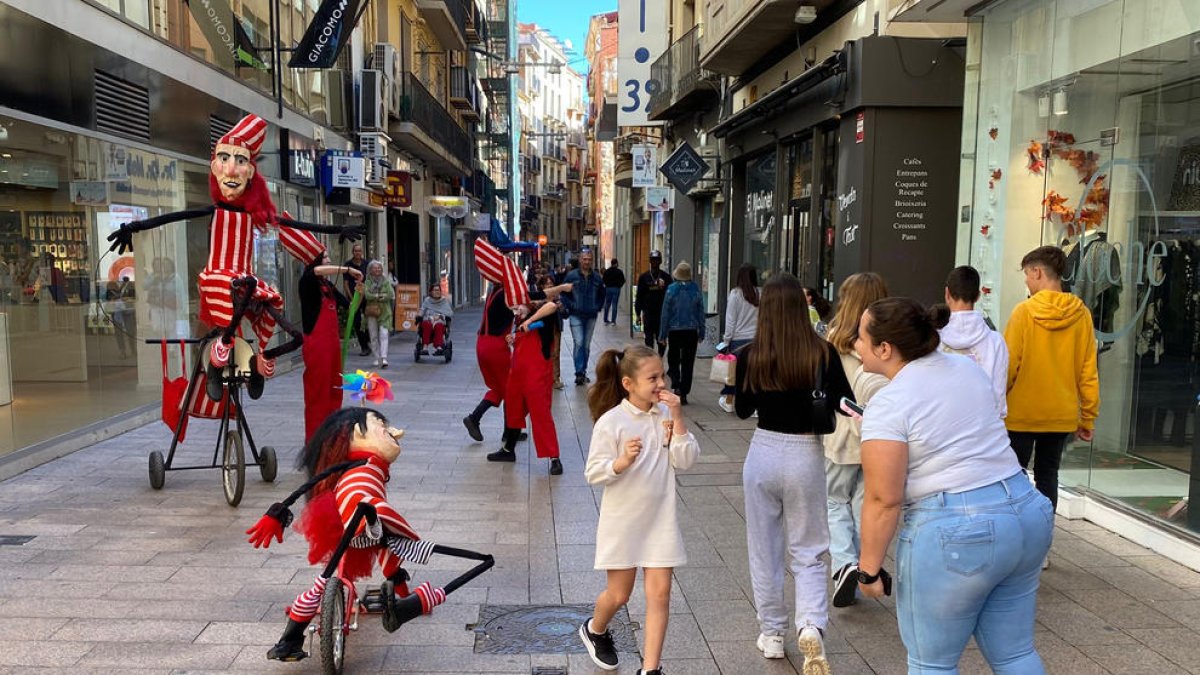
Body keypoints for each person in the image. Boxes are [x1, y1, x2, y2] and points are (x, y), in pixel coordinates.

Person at [856, 297, 1053, 673]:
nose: (855, 344)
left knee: (932, 664)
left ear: (885, 349)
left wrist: (868, 571)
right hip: (1026, 512)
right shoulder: (966, 367)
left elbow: (883, 499)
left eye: (861, 338)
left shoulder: (889, 403)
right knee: (1015, 654)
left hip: (959, 529)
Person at [734, 272, 850, 670]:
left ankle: (771, 633)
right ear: (802, 308)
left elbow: (742, 410)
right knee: (810, 548)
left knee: (763, 548)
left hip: (763, 451)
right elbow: (845, 402)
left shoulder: (751, 354)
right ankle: (811, 625)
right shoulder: (823, 352)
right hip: (805, 453)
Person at [581, 345, 699, 675]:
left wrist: (678, 419)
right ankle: (595, 629)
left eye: (662, 376)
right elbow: (593, 472)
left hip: (660, 520)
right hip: (623, 523)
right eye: (653, 378)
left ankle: (650, 669)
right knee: (619, 595)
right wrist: (621, 462)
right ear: (628, 384)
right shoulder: (612, 422)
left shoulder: (665, 415)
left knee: (660, 596)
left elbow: (686, 460)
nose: (661, 383)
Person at [1005, 246, 1099, 522]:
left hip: (1021, 413)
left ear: (1037, 272)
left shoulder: (1023, 313)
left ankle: (1018, 534)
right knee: (1048, 475)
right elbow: (1088, 371)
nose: (1026, 281)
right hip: (1060, 415)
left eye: (1026, 274)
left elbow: (1008, 367)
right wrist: (1088, 416)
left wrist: (996, 403)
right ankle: (1044, 535)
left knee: (1014, 475)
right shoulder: (1081, 314)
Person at [820, 272, 890, 608]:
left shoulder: (833, 340)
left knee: (835, 500)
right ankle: (864, 566)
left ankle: (844, 563)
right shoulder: (887, 343)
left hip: (841, 435)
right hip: (878, 435)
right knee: (866, 503)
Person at [487, 293, 565, 475]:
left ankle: (554, 458)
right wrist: (514, 338)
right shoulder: (520, 321)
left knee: (541, 415)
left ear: (531, 304)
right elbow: (522, 339)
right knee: (514, 411)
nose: (516, 312)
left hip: (536, 376)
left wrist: (530, 321)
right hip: (518, 375)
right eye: (514, 309)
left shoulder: (543, 318)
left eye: (518, 307)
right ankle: (508, 449)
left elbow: (552, 306)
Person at [934, 265, 1008, 417]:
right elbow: (999, 397)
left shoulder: (933, 338)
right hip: (982, 423)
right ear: (978, 296)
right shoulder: (996, 341)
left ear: (947, 293)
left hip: (940, 422)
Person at [298, 254, 357, 442]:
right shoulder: (307, 281)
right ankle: (315, 441)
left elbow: (348, 305)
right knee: (318, 392)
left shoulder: (327, 285)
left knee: (334, 389)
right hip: (317, 345)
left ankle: (332, 436)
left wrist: (359, 293)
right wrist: (347, 270)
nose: (329, 260)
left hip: (332, 345)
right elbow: (315, 271)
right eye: (325, 258)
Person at [463, 282, 514, 442]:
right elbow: (528, 299)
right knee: (510, 389)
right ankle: (509, 432)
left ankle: (475, 418)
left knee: (499, 388)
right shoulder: (505, 293)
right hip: (496, 346)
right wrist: (559, 289)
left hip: (483, 343)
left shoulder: (494, 290)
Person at [658, 262, 706, 405]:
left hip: (675, 330)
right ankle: (684, 392)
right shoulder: (695, 289)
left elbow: (665, 313)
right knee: (688, 362)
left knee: (673, 358)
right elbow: (700, 312)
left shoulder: (671, 289)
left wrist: (662, 334)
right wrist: (701, 331)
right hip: (691, 331)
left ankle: (676, 383)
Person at [718, 264, 759, 413]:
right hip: (756, 340)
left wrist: (726, 340)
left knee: (733, 373)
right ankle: (755, 407)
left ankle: (729, 401)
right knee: (753, 374)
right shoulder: (760, 293)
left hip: (738, 342)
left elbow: (731, 320)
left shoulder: (735, 294)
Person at [562, 249, 606, 386]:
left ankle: (583, 370)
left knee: (586, 345)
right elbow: (564, 293)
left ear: (592, 261)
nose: (587, 262)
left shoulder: (597, 278)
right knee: (579, 342)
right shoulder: (572, 276)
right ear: (580, 260)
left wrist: (597, 306)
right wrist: (571, 305)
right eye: (584, 259)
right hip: (576, 314)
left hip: (591, 315)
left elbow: (602, 294)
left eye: (589, 259)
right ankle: (579, 372)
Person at [635, 251, 672, 356]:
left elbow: (670, 296)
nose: (655, 262)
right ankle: (651, 358)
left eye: (657, 260)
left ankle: (660, 357)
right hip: (648, 313)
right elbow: (639, 296)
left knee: (661, 339)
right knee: (648, 340)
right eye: (653, 260)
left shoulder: (666, 277)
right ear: (650, 261)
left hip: (662, 313)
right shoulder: (644, 277)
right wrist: (637, 313)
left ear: (660, 261)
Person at [363, 260, 396, 368]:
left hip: (385, 311)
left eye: (379, 268)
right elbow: (367, 295)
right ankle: (377, 358)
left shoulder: (386, 281)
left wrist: (377, 296)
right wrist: (379, 296)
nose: (377, 270)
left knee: (384, 333)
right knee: (373, 335)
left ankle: (384, 357)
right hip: (372, 311)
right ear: (370, 270)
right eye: (375, 268)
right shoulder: (367, 282)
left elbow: (390, 294)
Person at [343, 243, 372, 357]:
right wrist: (351, 298)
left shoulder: (367, 264)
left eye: (359, 251)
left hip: (366, 296)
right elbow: (345, 284)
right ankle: (364, 347)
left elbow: (370, 280)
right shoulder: (348, 265)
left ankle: (368, 339)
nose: (357, 253)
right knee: (357, 322)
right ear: (352, 252)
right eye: (355, 251)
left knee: (369, 320)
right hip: (353, 296)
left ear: (362, 252)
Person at [417, 284, 454, 356]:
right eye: (435, 290)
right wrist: (419, 315)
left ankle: (439, 348)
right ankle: (425, 348)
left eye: (438, 290)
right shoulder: (427, 300)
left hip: (439, 320)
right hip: (428, 319)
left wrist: (440, 316)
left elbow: (449, 313)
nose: (437, 292)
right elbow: (422, 310)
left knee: (439, 325)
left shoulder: (444, 301)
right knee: (427, 324)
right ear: (431, 292)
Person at [602, 258, 626, 325]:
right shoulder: (619, 271)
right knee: (614, 304)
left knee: (607, 304)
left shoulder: (607, 271)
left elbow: (604, 280)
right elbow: (623, 280)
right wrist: (619, 286)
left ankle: (605, 319)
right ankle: (613, 321)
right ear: (616, 263)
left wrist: (607, 285)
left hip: (608, 289)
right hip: (616, 289)